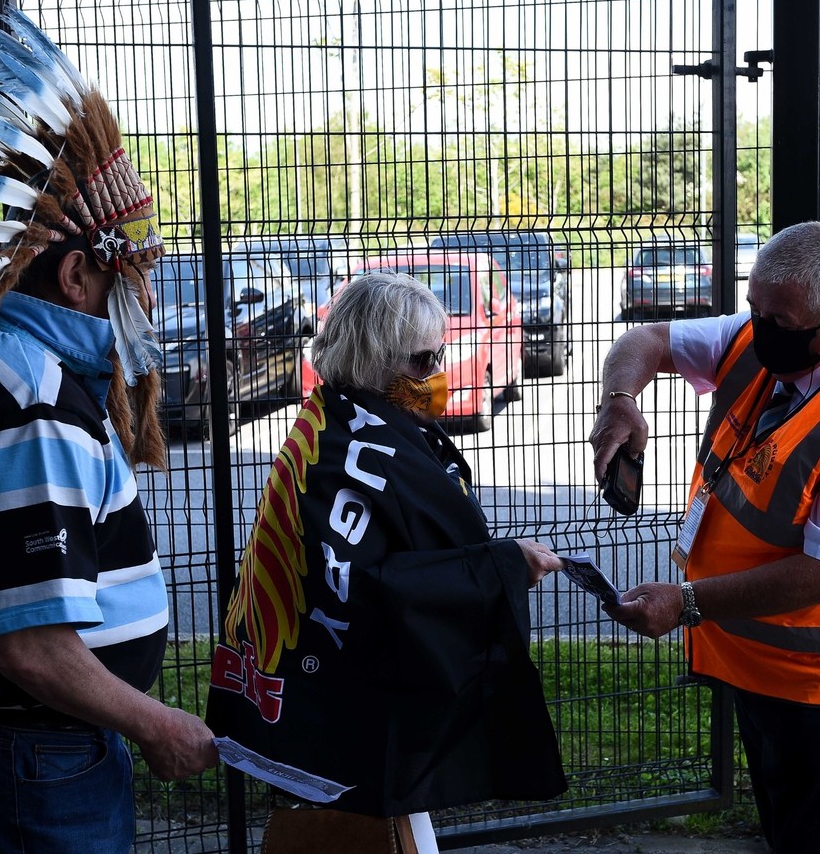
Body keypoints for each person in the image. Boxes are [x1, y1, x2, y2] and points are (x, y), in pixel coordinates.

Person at [0, 8, 218, 852]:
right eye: (139, 273)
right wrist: (157, 724)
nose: (152, 299)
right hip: (32, 758)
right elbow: (32, 650)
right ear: (78, 272)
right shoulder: (30, 405)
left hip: (20, 750)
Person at [589, 222, 820, 854]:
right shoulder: (759, 335)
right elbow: (646, 338)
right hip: (758, 663)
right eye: (753, 311)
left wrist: (688, 604)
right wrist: (620, 399)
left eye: (776, 321)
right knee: (789, 833)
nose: (757, 333)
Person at [208, 272, 568, 853]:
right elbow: (371, 593)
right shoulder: (344, 452)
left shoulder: (332, 420)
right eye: (426, 359)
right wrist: (500, 567)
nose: (439, 375)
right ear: (377, 360)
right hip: (346, 731)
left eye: (441, 355)